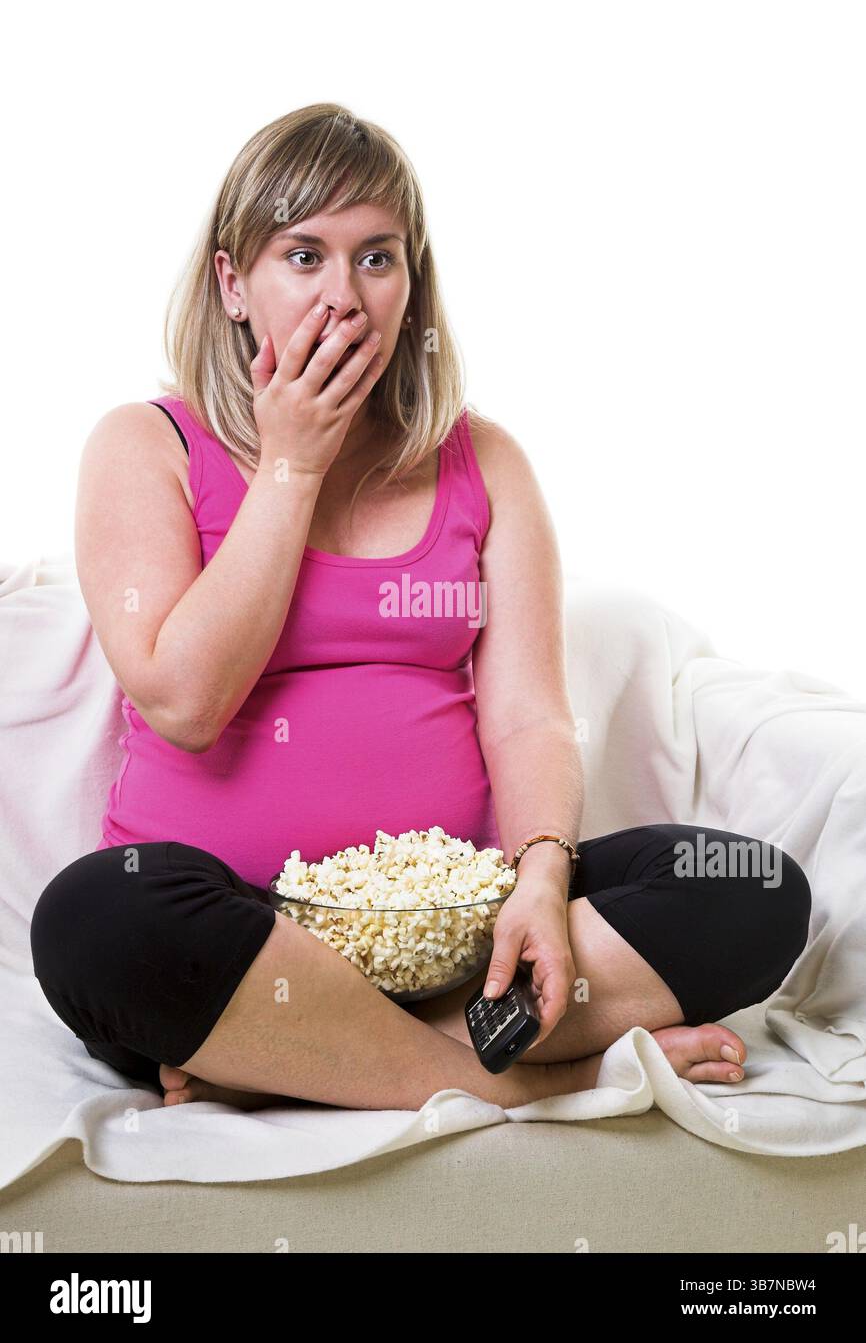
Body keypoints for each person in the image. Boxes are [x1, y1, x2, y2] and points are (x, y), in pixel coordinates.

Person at [29, 103, 811, 1114]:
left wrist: (536, 877)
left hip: (455, 938)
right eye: (301, 256)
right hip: (225, 937)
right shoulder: (145, 446)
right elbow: (184, 700)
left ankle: (301, 1059)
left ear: (413, 281)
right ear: (232, 282)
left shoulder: (483, 461)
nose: (342, 298)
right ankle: (529, 1079)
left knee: (747, 886)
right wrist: (291, 465)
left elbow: (528, 713)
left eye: (376, 259)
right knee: (95, 920)